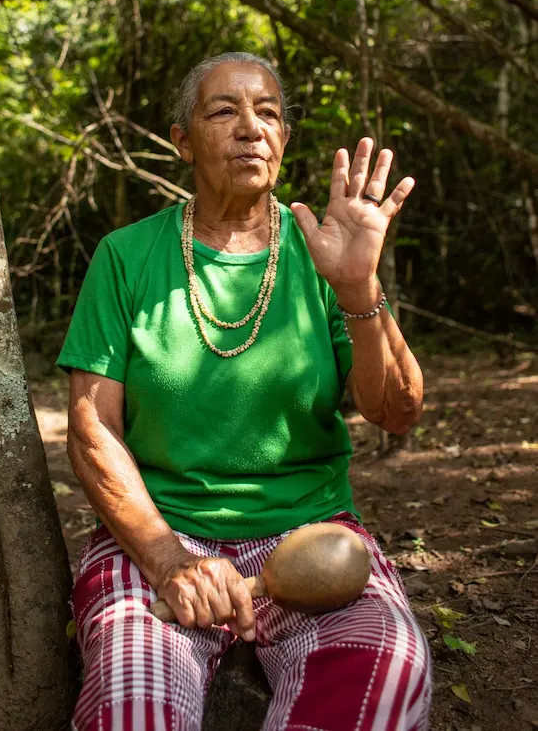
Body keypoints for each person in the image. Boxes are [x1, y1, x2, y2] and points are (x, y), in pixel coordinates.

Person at [58, 52, 431, 731]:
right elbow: (92, 429)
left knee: (387, 667)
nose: (250, 127)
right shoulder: (126, 256)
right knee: (130, 706)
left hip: (310, 535)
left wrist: (357, 288)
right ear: (181, 140)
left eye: (268, 113)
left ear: (284, 140)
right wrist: (168, 558)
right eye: (224, 110)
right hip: (159, 534)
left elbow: (397, 409)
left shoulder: (322, 254)